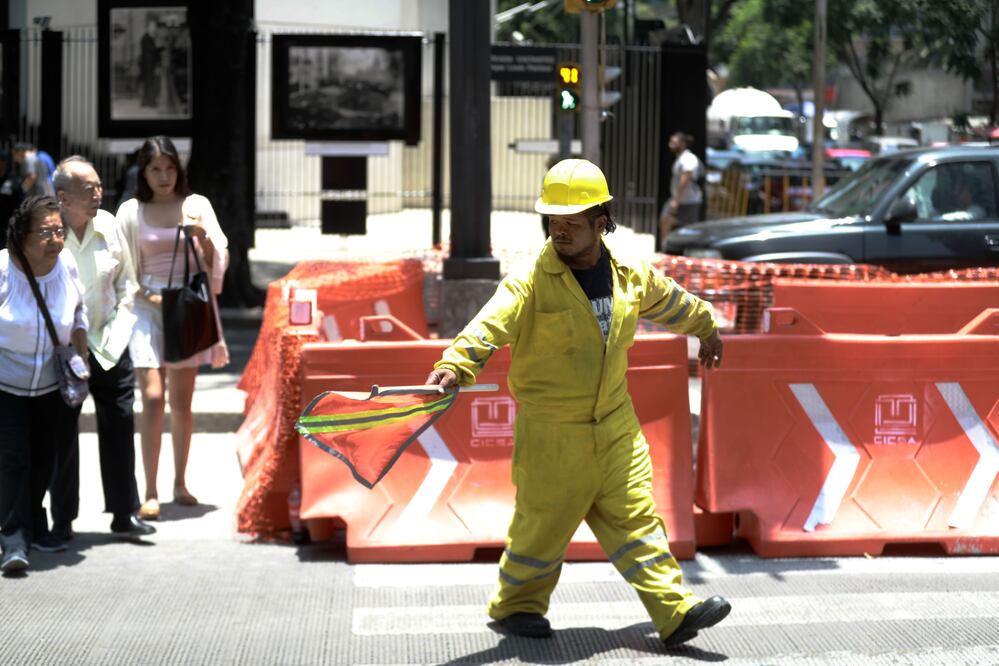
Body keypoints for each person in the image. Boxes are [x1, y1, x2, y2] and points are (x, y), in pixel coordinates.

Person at [425, 159, 730, 646]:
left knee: (638, 520)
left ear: (601, 221)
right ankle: (516, 606)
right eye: (554, 221)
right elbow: (490, 323)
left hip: (615, 427)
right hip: (552, 435)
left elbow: (673, 301)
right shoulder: (530, 281)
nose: (560, 231)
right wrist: (457, 364)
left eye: (572, 222)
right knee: (540, 531)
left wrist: (706, 326)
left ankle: (674, 612)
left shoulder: (629, 273)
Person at [117, 136, 229, 521]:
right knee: (151, 397)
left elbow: (217, 261)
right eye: (155, 169)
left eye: (169, 168)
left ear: (179, 170)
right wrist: (144, 295)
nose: (163, 176)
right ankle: (149, 490)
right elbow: (123, 266)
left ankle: (180, 483)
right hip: (147, 307)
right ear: (142, 172)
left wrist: (204, 240)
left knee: (182, 402)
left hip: (187, 307)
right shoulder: (132, 210)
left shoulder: (196, 206)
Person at [48, 156, 156, 542]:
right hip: (64, 350)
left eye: (99, 186)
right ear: (62, 197)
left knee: (120, 423)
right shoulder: (47, 231)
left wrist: (119, 330)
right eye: (88, 189)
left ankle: (124, 512)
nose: (99, 193)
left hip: (110, 342)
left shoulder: (108, 225)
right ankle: (61, 521)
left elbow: (128, 283)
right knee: (62, 434)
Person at [0, 196, 89, 572]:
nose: (56, 240)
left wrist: (81, 359)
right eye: (46, 232)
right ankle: (13, 540)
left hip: (52, 385)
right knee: (14, 457)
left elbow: (80, 311)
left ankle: (34, 525)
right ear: (22, 235)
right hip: (6, 384)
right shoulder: (2, 269)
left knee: (42, 460)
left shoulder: (66, 264)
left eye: (60, 231)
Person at [658, 132, 704, 249]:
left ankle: (689, 253)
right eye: (670, 142)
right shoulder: (681, 158)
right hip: (679, 200)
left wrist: (676, 200)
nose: (670, 144)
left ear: (683, 144)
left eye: (674, 142)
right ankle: (666, 248)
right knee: (665, 220)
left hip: (688, 201)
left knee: (690, 229)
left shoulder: (688, 158)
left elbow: (685, 178)